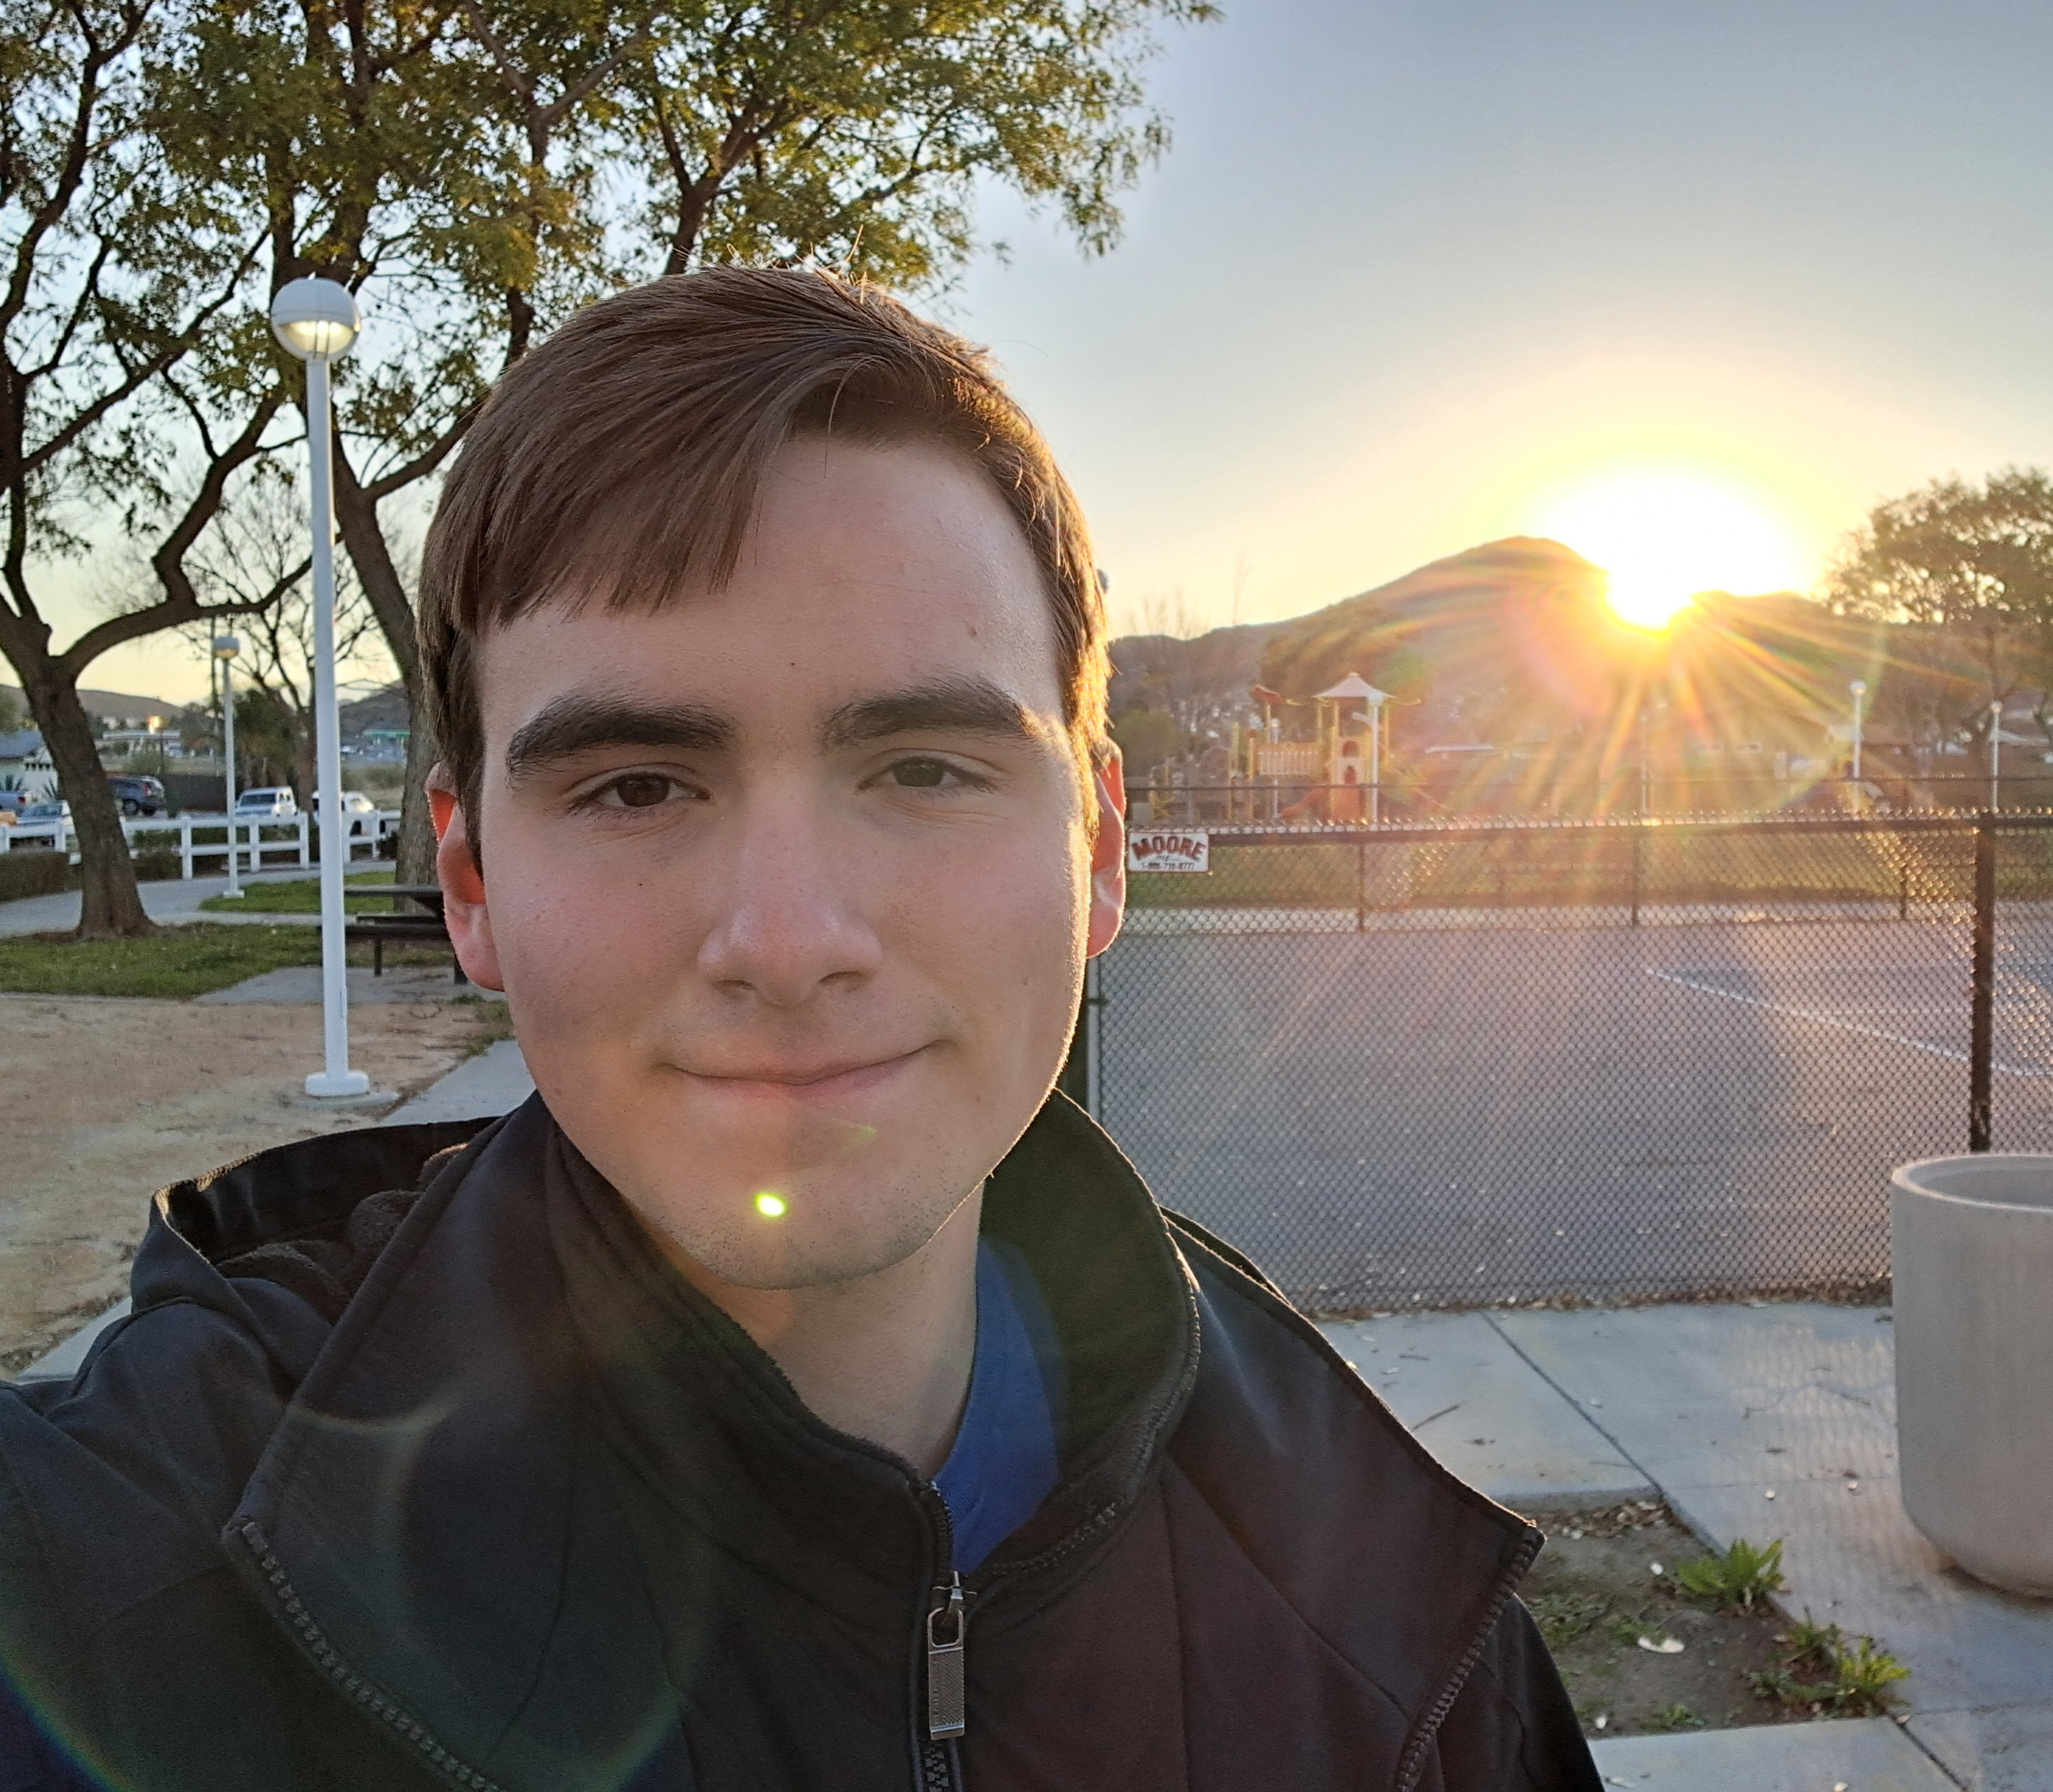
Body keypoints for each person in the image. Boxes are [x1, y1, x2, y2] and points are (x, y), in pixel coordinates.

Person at [0, 266, 1601, 1792]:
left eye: (925, 770)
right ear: (472, 882)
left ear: (1100, 847)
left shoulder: (1398, 1617)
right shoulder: (116, 1577)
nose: (786, 942)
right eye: (638, 787)